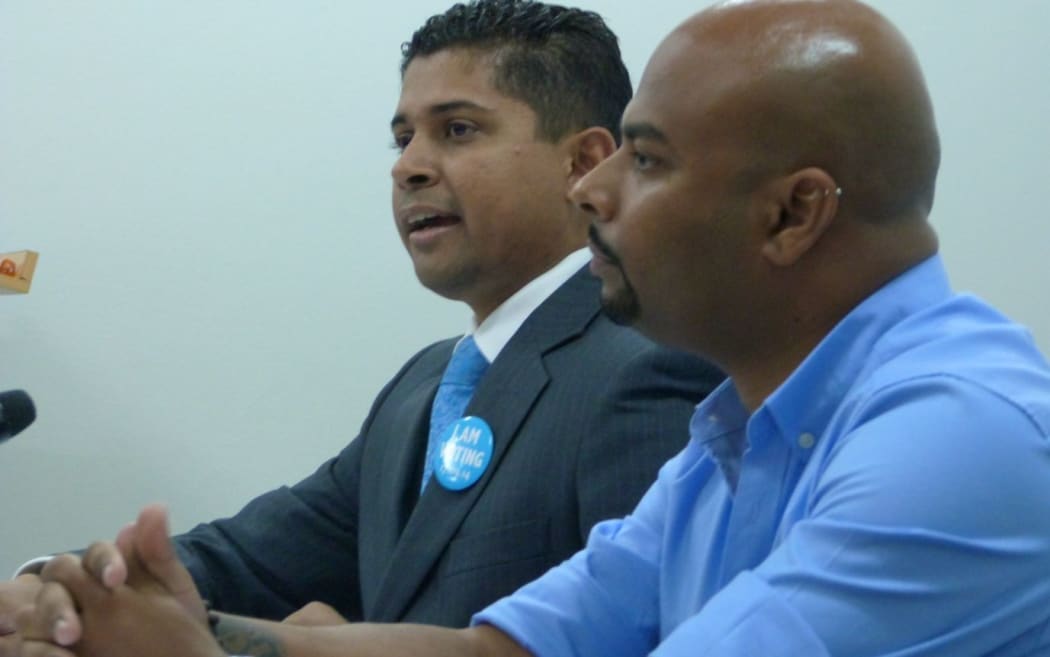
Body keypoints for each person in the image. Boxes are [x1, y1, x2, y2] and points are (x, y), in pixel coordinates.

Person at [19, 0, 1050, 654]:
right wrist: (132, 619)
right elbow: (495, 654)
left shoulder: (955, 432)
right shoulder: (734, 436)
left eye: (644, 160)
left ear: (791, 214)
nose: (597, 190)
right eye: (402, 137)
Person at [0, 0, 722, 651]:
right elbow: (247, 559)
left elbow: (655, 634)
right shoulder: (425, 385)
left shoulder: (653, 364)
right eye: (402, 138)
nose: (408, 167)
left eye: (458, 129)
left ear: (586, 162)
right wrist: (59, 588)